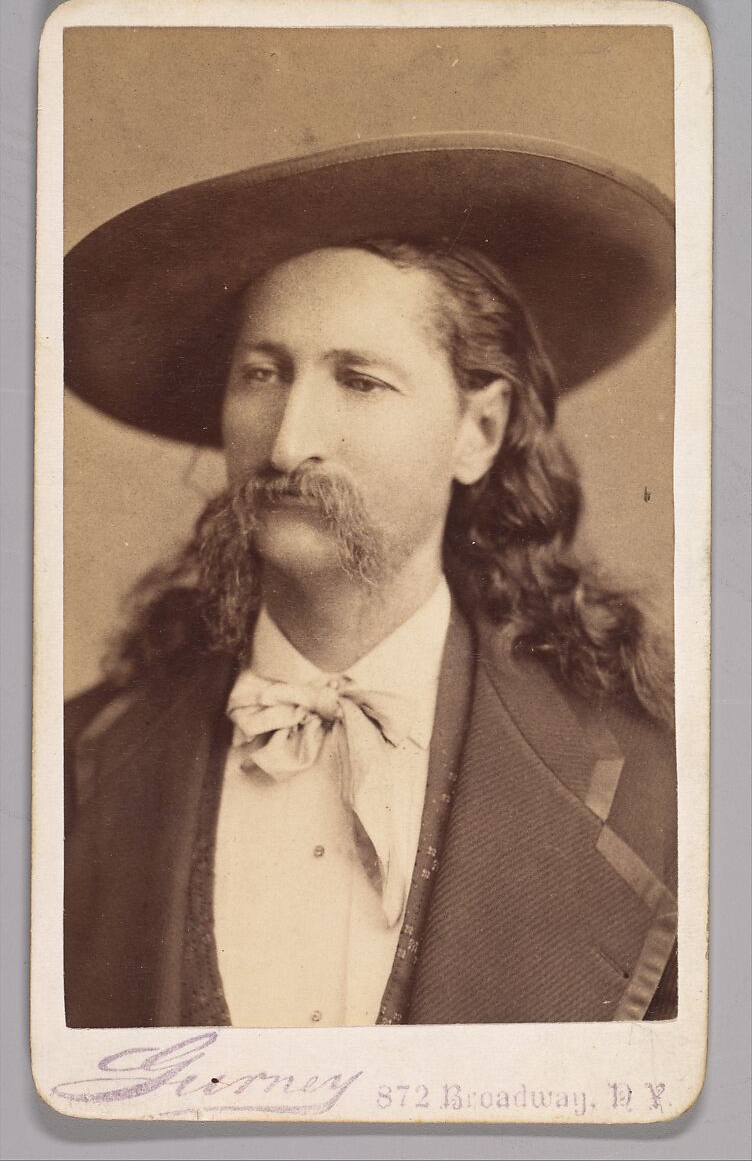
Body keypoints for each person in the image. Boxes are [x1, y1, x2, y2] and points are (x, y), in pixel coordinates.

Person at [63, 133, 677, 1028]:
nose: (287, 443)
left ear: (479, 430)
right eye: (262, 375)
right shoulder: (65, 772)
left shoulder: (665, 792)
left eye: (360, 381)